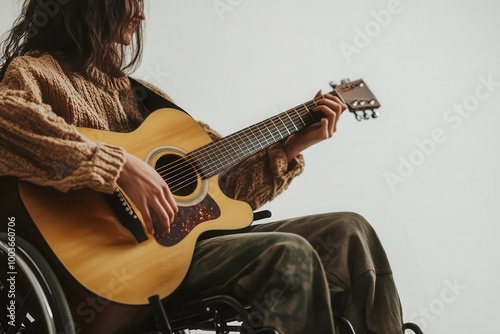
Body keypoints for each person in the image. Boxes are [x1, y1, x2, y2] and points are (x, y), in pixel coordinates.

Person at [0, 1, 406, 333]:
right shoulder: (37, 71)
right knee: (289, 253)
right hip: (125, 263)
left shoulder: (147, 98)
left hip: (188, 248)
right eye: (133, 1)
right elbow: (6, 119)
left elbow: (228, 196)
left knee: (350, 231)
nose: (141, 14)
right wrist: (116, 164)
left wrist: (290, 148)